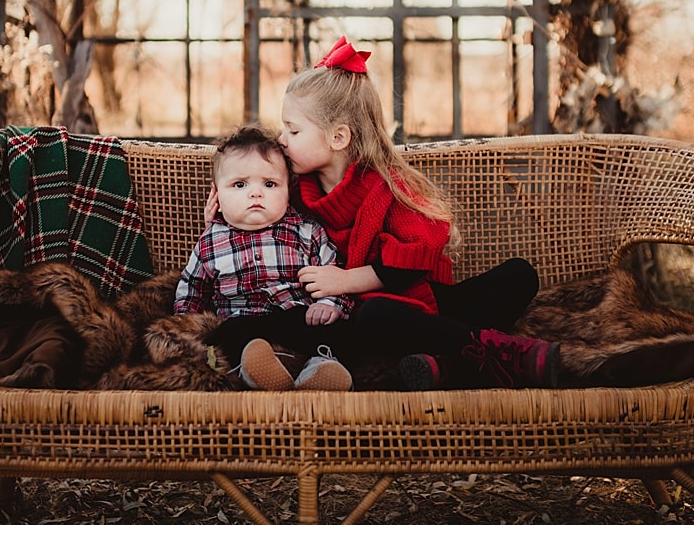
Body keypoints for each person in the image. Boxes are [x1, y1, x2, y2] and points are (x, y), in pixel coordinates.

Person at [276, 36, 561, 389]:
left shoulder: (385, 186)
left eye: (293, 130)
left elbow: (411, 260)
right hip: (358, 318)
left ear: (339, 138)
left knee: (519, 274)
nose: (282, 139)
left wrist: (345, 279)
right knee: (375, 315)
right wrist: (227, 205)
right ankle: (495, 356)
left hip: (420, 301)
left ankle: (452, 361)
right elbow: (253, 193)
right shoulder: (292, 189)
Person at [175, 125, 356, 391]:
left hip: (296, 319)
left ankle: (321, 367)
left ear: (288, 191)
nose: (256, 193)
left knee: (338, 330)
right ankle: (253, 370)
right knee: (228, 334)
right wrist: (185, 328)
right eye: (240, 184)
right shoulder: (211, 241)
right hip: (244, 322)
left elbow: (336, 272)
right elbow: (191, 289)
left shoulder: (306, 231)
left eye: (269, 184)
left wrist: (331, 304)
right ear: (218, 197)